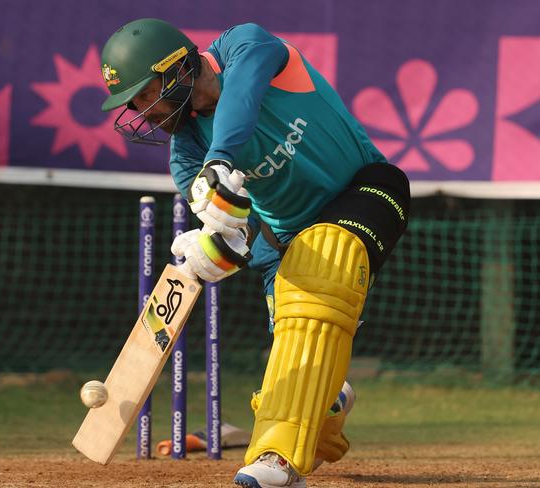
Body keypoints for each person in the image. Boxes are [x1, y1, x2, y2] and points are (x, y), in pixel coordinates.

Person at [100, 18, 410, 488]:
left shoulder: (245, 46)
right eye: (135, 106)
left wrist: (221, 156)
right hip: (282, 244)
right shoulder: (187, 158)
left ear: (179, 69)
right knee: (295, 376)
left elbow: (240, 98)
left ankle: (277, 458)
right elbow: (236, 236)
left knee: (320, 260)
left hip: (366, 188)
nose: (145, 114)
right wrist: (211, 251)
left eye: (146, 96)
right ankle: (327, 405)